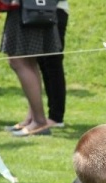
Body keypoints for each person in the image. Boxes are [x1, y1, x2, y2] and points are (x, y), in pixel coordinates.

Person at [0, 1, 60, 137]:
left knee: (18, 61)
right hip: (31, 8)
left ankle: (39, 121)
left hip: (29, 8)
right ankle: (33, 118)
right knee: (28, 61)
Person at [37, 0, 67, 128]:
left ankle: (56, 116)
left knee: (52, 62)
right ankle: (50, 115)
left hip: (54, 10)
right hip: (39, 10)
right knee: (43, 63)